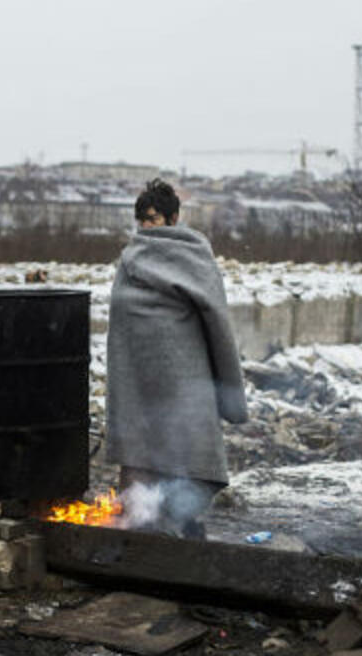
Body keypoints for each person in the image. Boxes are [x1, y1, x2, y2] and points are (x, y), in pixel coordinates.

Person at [105, 179, 249, 539]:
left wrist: (228, 385)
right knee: (143, 448)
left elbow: (216, 319)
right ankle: (144, 523)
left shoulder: (195, 255)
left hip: (184, 374)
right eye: (141, 220)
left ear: (173, 218)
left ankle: (179, 519)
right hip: (138, 374)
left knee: (185, 444)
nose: (145, 227)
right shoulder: (130, 259)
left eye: (152, 218)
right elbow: (122, 316)